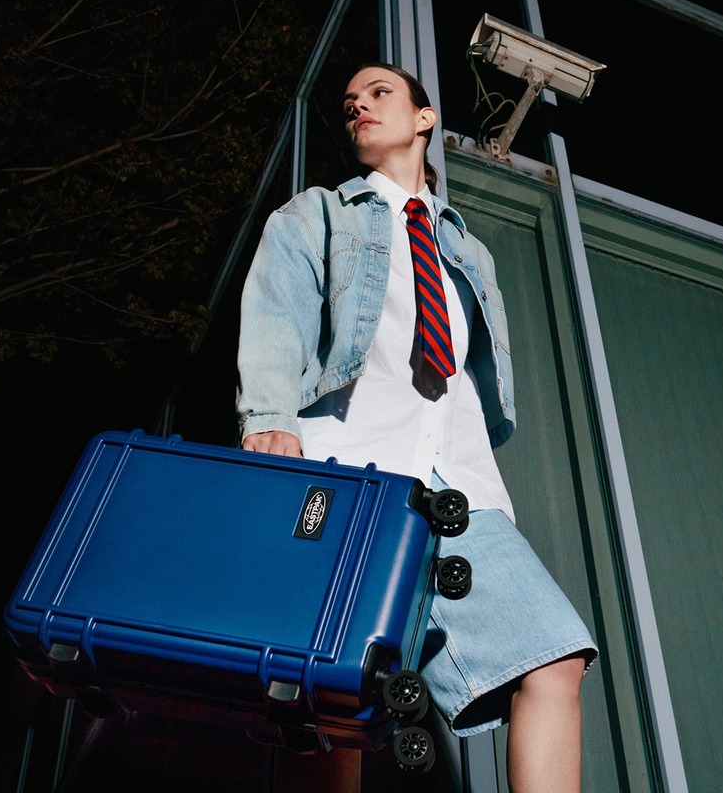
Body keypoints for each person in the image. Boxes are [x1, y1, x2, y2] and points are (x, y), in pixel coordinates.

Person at [236, 62, 597, 792]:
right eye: (349, 103)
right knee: (335, 692)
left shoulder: (467, 250)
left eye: (379, 94)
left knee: (555, 658)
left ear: (425, 118)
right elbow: (274, 315)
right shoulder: (317, 216)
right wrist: (269, 422)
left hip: (459, 488)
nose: (358, 107)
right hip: (349, 472)